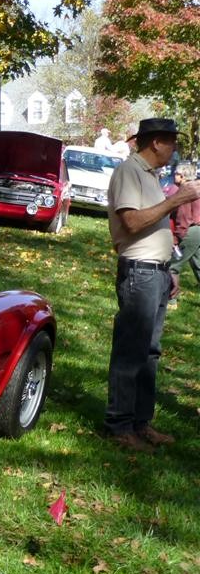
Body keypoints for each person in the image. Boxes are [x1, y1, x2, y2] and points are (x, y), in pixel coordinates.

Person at [103, 118, 200, 452]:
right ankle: (119, 425)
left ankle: (140, 423)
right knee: (131, 351)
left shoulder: (149, 176)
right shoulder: (129, 171)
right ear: (156, 142)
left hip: (155, 272)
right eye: (172, 142)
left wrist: (168, 269)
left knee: (150, 352)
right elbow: (131, 222)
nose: (175, 149)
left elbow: (155, 226)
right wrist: (177, 200)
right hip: (139, 273)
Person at [169, 163, 200, 299]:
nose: (174, 175)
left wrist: (177, 238)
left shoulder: (186, 190)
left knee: (173, 266)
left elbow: (183, 216)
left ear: (182, 176)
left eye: (176, 173)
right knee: (198, 265)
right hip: (198, 230)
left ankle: (171, 300)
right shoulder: (197, 187)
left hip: (191, 231)